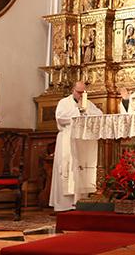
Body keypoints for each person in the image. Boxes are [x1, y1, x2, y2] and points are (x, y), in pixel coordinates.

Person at [50, 82, 103, 212]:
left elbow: (99, 115)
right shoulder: (64, 102)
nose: (81, 95)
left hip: (82, 141)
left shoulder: (88, 103)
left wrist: (85, 111)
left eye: (83, 92)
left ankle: (80, 201)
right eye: (79, 92)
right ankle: (64, 205)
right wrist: (78, 111)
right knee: (67, 168)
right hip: (67, 138)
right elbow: (60, 118)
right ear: (73, 90)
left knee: (81, 169)